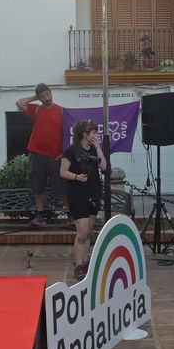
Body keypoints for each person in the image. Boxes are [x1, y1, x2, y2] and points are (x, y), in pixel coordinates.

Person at [59, 119, 106, 281]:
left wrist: (98, 147)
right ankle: (78, 264)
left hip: (93, 193)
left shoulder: (93, 149)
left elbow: (104, 167)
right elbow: (63, 172)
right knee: (82, 230)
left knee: (88, 231)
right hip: (78, 194)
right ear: (85, 134)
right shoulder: (71, 151)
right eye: (93, 132)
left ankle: (85, 261)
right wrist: (77, 177)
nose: (96, 135)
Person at [16, 83, 64, 226]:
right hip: (37, 155)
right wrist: (34, 97)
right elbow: (19, 103)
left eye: (47, 94)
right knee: (38, 186)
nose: (46, 98)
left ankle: (71, 215)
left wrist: (63, 152)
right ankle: (40, 215)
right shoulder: (36, 110)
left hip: (55, 156)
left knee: (62, 187)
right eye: (42, 96)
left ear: (51, 93)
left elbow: (68, 134)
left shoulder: (61, 111)